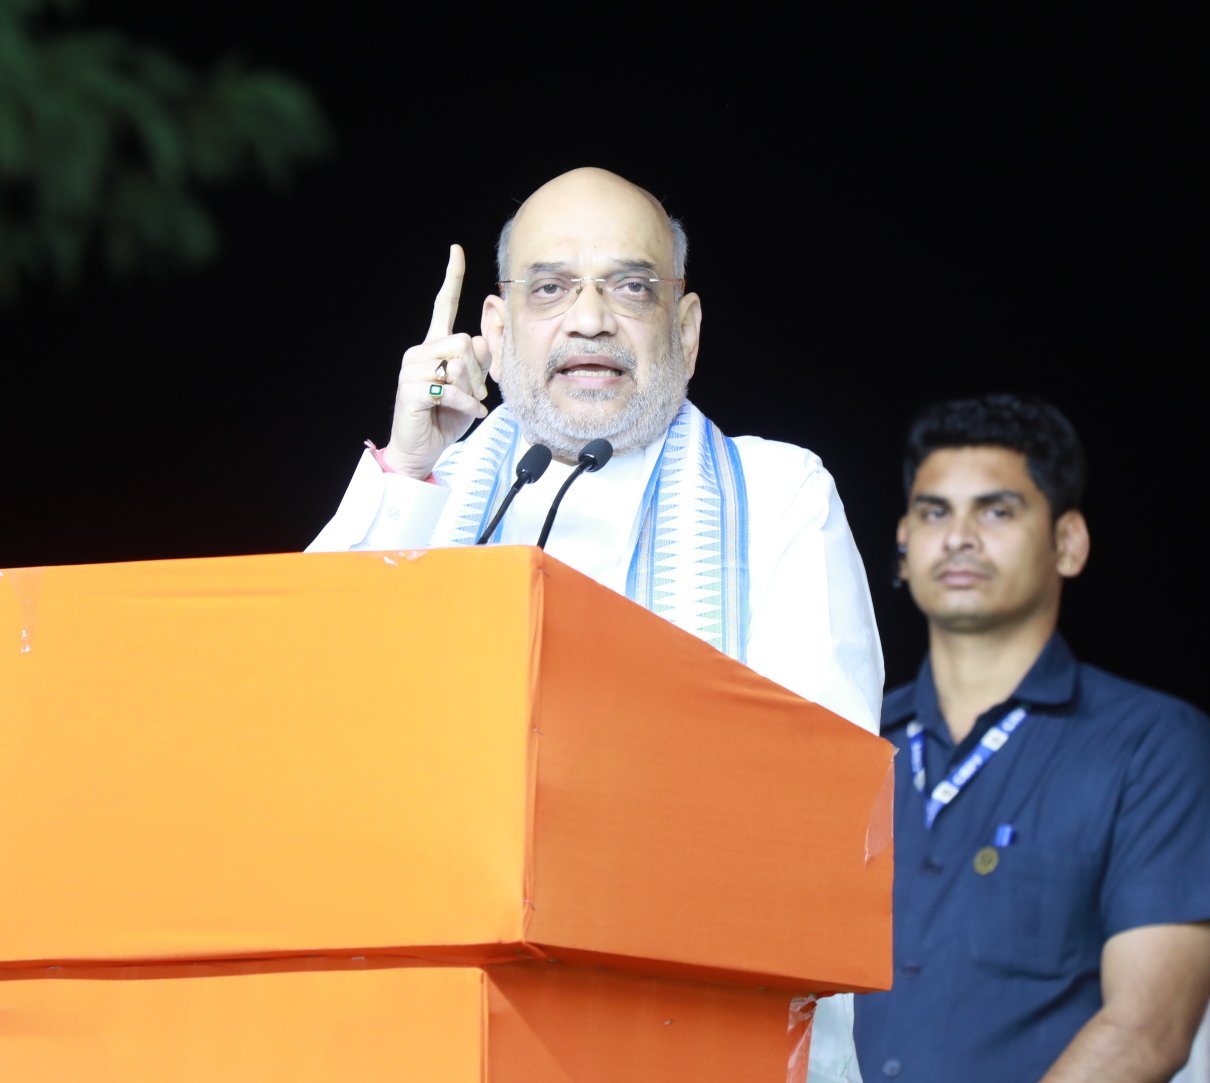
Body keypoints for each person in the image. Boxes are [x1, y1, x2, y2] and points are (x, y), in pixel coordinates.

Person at [305, 166, 884, 1082]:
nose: (590, 318)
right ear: (495, 333)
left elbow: (828, 810)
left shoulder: (778, 497)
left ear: (685, 333)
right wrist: (411, 464)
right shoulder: (433, 496)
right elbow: (296, 712)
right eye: (550, 287)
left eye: (630, 286)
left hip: (705, 1033)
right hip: (438, 1035)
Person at [853, 392, 1210, 1083]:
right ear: (904, 546)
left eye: (997, 510)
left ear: (1069, 543)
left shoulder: (1153, 747)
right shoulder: (848, 742)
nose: (959, 536)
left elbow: (1146, 1031)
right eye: (934, 510)